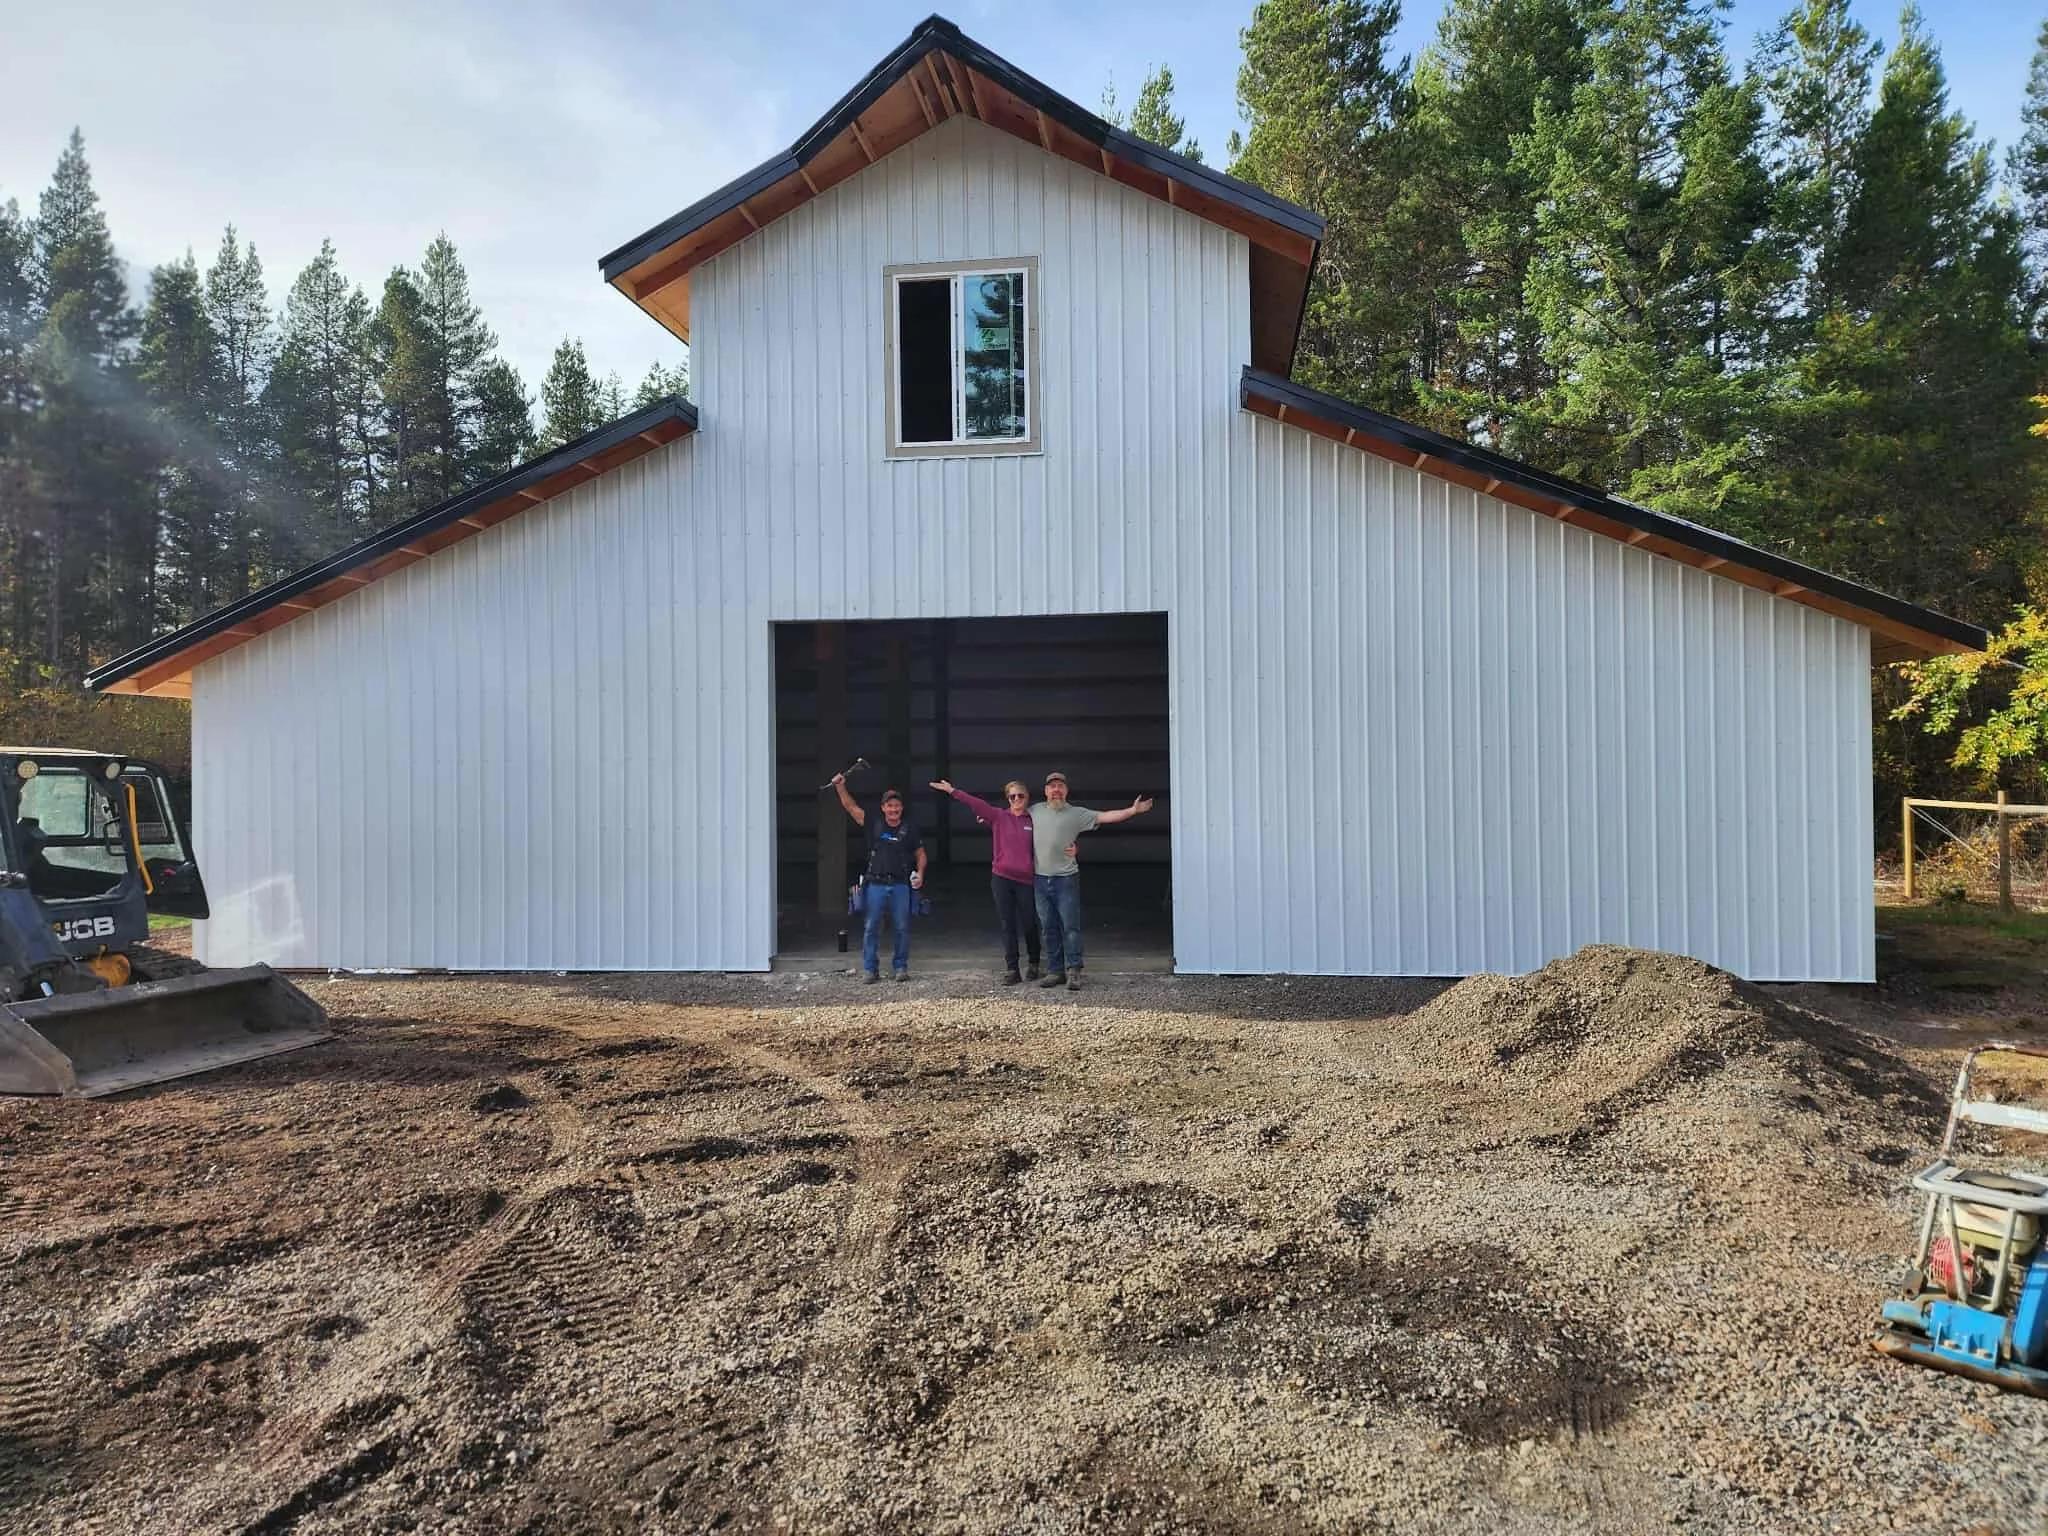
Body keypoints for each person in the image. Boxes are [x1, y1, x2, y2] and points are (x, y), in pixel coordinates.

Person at [1030, 771, 1153, 991]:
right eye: (1052, 787)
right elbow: (1009, 819)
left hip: (1066, 879)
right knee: (1048, 928)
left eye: (1060, 786)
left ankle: (1074, 970)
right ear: (1045, 791)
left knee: (1070, 926)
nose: (1056, 790)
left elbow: (1105, 816)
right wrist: (986, 818)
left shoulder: (1077, 814)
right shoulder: (1034, 811)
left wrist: (1133, 811)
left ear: (1066, 790)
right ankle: (1055, 971)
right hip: (1040, 879)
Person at [929, 777, 1043, 985]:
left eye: (1020, 795)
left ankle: (1034, 962)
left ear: (1027, 798)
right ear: (1007, 799)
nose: (1016, 799)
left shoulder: (1034, 819)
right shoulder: (999, 816)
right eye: (1012, 796)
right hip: (1002, 878)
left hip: (1026, 880)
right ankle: (1012, 968)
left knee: (1029, 922)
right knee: (1007, 924)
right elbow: (976, 804)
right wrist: (953, 790)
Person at [831, 776, 927, 983]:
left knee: (902, 927)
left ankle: (900, 967)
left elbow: (920, 853)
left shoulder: (910, 829)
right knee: (871, 927)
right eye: (890, 806)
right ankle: (870, 969)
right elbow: (850, 807)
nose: (894, 810)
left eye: (897, 806)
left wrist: (920, 874)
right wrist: (840, 786)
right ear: (883, 808)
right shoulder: (873, 824)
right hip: (875, 884)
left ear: (902, 808)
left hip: (901, 884)